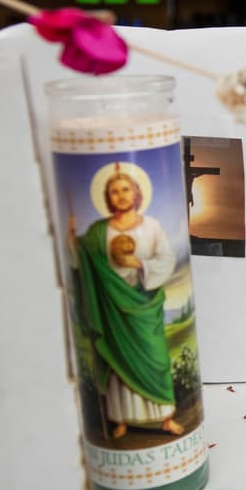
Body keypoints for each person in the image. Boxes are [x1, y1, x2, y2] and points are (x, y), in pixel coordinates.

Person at [69, 165, 184, 440]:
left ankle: (165, 418)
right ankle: (120, 417)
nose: (120, 195)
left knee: (156, 358)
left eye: (125, 189)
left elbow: (167, 259)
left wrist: (139, 263)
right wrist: (73, 240)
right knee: (117, 361)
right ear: (107, 197)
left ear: (136, 192)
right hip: (112, 308)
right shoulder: (98, 231)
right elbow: (83, 262)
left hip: (144, 306)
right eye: (114, 191)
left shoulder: (151, 226)